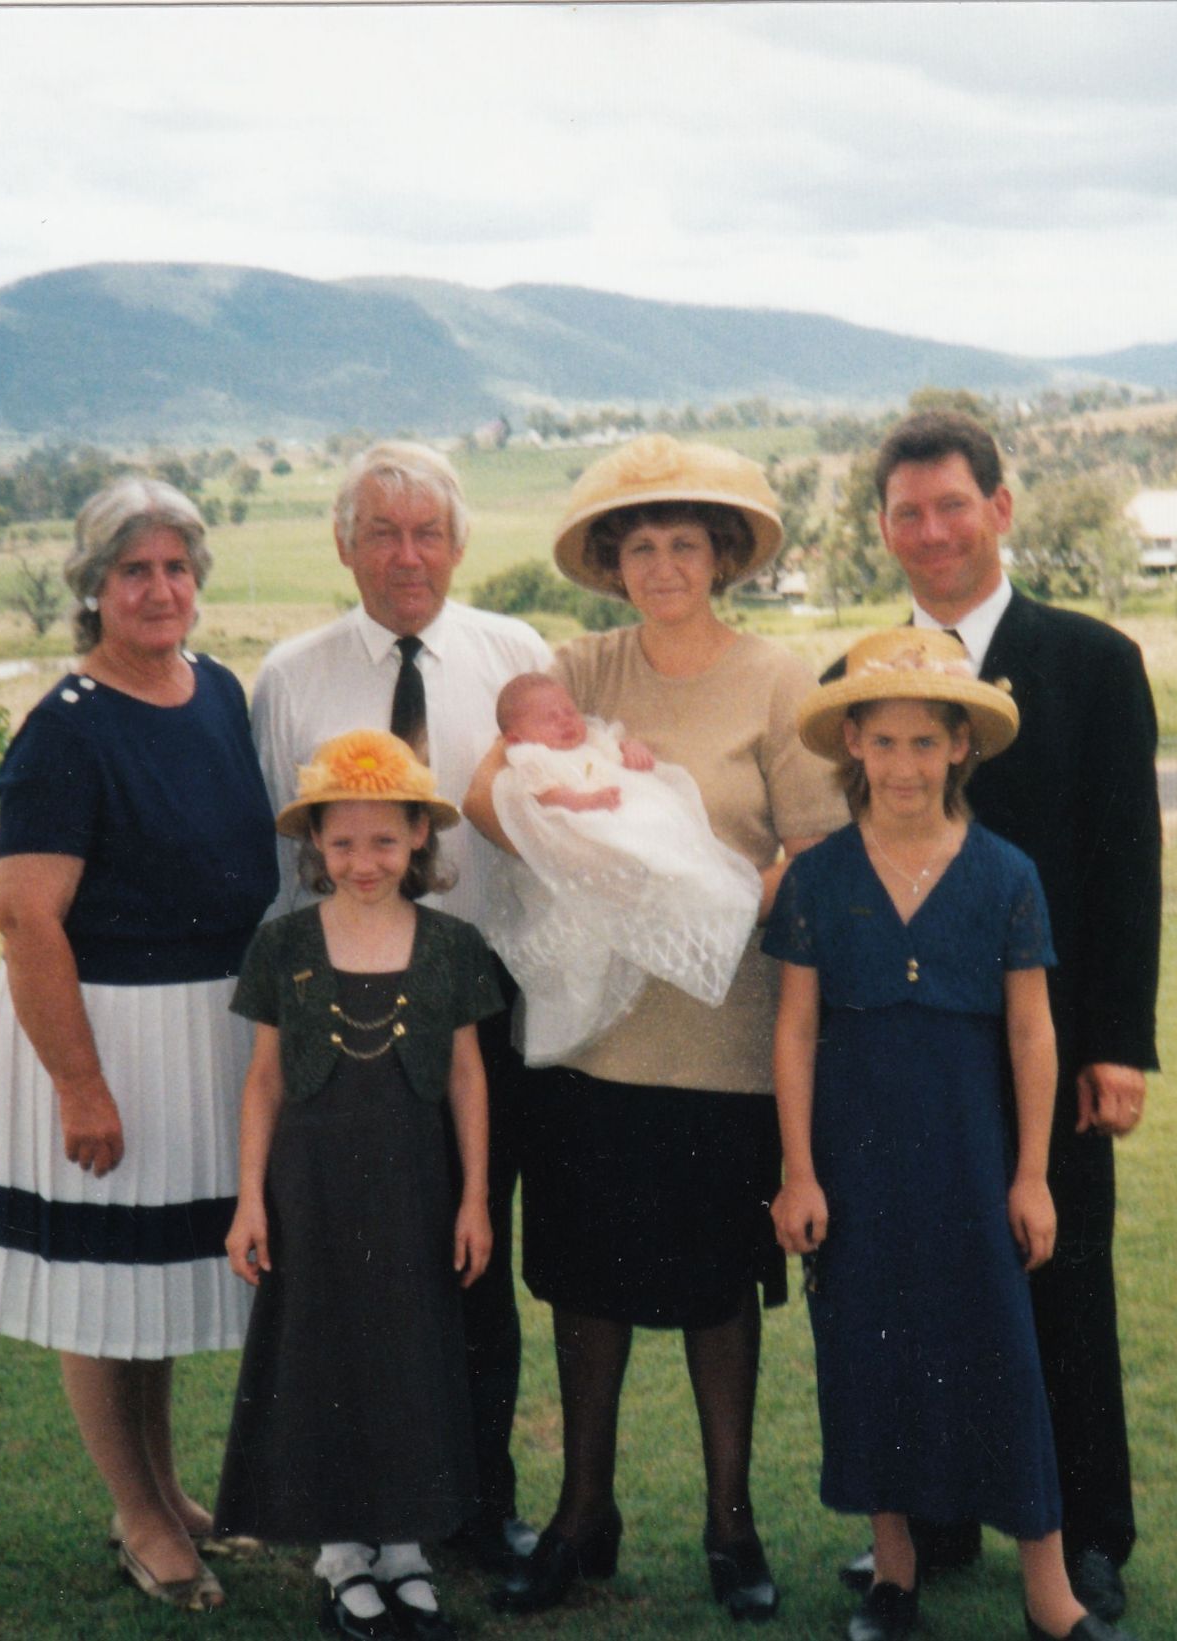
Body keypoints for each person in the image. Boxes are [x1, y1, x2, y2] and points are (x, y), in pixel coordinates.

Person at [463, 434, 847, 1621]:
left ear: (721, 556)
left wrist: (709, 907)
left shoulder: (777, 680)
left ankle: (730, 1525)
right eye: (640, 547)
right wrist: (588, 859)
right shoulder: (576, 669)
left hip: (723, 1041)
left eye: (685, 543)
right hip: (588, 1048)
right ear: (612, 565)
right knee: (585, 1287)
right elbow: (485, 794)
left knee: (716, 1291)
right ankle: (582, 1513)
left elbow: (815, 851)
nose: (663, 565)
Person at [831, 411, 1162, 1624]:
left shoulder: (1090, 662)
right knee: (919, 1281)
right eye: (906, 513)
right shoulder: (852, 683)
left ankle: (1086, 1537)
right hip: (898, 1057)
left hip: (1046, 1048)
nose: (930, 532)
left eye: (951, 506)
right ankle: (932, 1522)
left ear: (1000, 509)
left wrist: (1116, 1044)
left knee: (1057, 1282)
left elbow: (1126, 866)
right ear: (882, 529)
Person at [768, 629, 1133, 1641]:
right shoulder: (818, 878)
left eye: (925, 742)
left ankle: (1048, 1591)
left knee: (1004, 1354)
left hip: (971, 1157)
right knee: (870, 1350)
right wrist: (799, 1171)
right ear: (852, 744)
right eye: (883, 742)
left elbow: (1031, 1031)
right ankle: (895, 1574)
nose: (904, 765)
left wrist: (1032, 1175)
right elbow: (794, 1029)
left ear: (961, 746)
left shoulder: (1005, 875)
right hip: (856, 1159)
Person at [251, 442, 552, 1573]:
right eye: (383, 532)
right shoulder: (290, 676)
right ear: (345, 547)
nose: (407, 555)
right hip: (339, 1024)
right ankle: (353, 1508)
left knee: (472, 1263)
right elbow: (280, 867)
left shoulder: (514, 656)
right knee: (346, 1270)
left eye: (428, 532)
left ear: (459, 544)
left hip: (483, 1015)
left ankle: (474, 1506)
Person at [0, 476, 279, 1612]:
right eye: (133, 571)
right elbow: (26, 918)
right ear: (92, 589)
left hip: (204, 1028)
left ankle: (166, 1492)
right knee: (105, 1282)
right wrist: (80, 1086)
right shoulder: (65, 731)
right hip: (103, 1032)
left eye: (175, 568)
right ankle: (139, 1514)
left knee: (150, 1280)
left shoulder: (218, 691)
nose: (159, 590)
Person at [214, 730, 502, 1641]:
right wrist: (250, 1198)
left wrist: (475, 1197)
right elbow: (264, 1079)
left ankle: (406, 1547)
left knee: (409, 1355)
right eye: (341, 842)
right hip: (311, 1191)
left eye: (384, 839)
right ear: (315, 844)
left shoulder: (452, 945)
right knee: (323, 1353)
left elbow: (468, 1076)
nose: (363, 861)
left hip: (416, 1189)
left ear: (419, 834)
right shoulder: (284, 944)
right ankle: (341, 1551)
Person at [478, 671, 764, 1065]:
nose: (565, 721)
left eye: (569, 711)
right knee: (593, 922)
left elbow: (618, 749)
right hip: (579, 825)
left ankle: (702, 888)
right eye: (548, 718)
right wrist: (585, 802)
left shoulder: (593, 742)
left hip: (619, 812)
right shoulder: (530, 758)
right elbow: (547, 796)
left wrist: (632, 751)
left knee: (667, 830)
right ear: (515, 738)